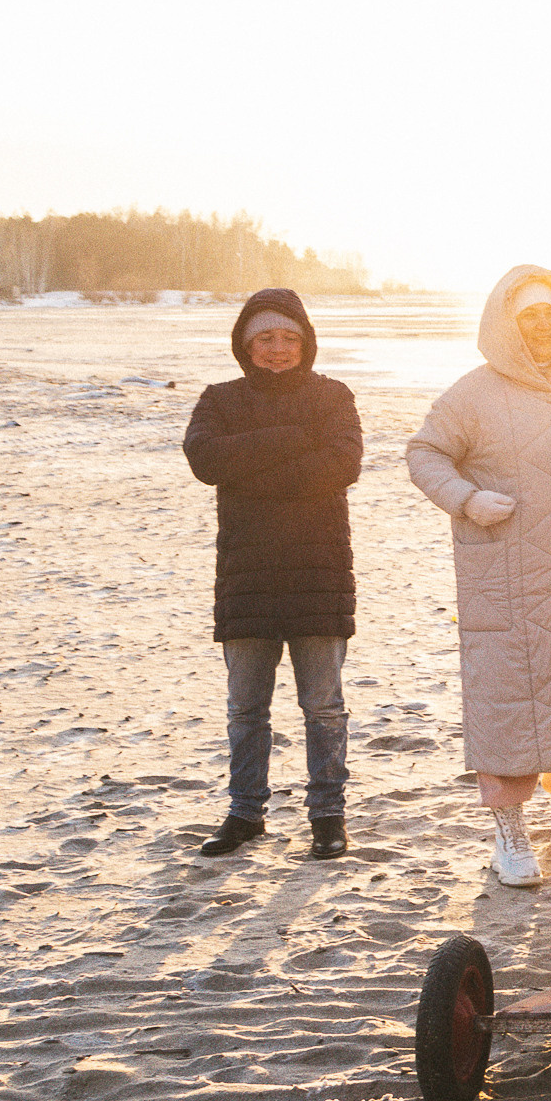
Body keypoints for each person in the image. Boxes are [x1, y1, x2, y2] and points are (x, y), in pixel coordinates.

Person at [406, 266, 551, 888]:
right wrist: (466, 499)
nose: (542, 325)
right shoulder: (474, 392)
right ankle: (509, 833)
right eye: (529, 315)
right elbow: (424, 453)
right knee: (508, 701)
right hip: (507, 575)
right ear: (505, 323)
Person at [182, 288, 362, 860]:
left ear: (306, 342)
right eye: (265, 338)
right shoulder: (220, 399)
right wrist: (293, 439)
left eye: (289, 337)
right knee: (245, 709)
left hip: (319, 573)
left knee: (324, 707)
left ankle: (328, 816)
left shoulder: (333, 396)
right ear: (245, 344)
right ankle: (245, 813)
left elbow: (342, 464)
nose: (278, 348)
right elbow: (206, 461)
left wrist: (250, 471)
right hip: (247, 575)